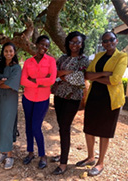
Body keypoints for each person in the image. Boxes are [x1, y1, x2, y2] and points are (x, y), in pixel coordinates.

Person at [76, 31, 128, 176]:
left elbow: (115, 80)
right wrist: (105, 74)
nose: (108, 42)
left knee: (105, 131)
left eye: (111, 39)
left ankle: (100, 162)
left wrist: (97, 76)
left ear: (116, 41)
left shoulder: (121, 57)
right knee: (89, 128)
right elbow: (86, 74)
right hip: (94, 97)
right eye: (105, 41)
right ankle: (90, 157)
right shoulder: (98, 56)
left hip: (110, 99)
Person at [50, 31, 89, 175]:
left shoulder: (84, 60)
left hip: (73, 99)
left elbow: (79, 80)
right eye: (72, 42)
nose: (75, 45)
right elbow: (54, 74)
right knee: (61, 127)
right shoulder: (62, 58)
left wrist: (62, 74)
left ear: (82, 44)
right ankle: (63, 154)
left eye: (78, 42)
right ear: (68, 43)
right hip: (59, 96)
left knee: (65, 127)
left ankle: (63, 164)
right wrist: (65, 74)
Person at [21, 35, 57, 169]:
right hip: (28, 98)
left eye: (47, 46)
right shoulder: (28, 62)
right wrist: (42, 82)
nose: (44, 47)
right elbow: (23, 80)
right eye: (42, 44)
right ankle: (30, 153)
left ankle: (43, 155)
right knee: (28, 127)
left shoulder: (51, 61)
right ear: (36, 44)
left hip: (42, 99)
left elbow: (52, 79)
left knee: (36, 127)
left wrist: (34, 81)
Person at [0, 42, 21, 170]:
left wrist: (0, 82)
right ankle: (2, 152)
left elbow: (10, 85)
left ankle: (10, 155)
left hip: (10, 100)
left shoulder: (16, 68)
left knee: (7, 125)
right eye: (6, 51)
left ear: (14, 53)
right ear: (2, 53)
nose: (8, 53)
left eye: (11, 51)